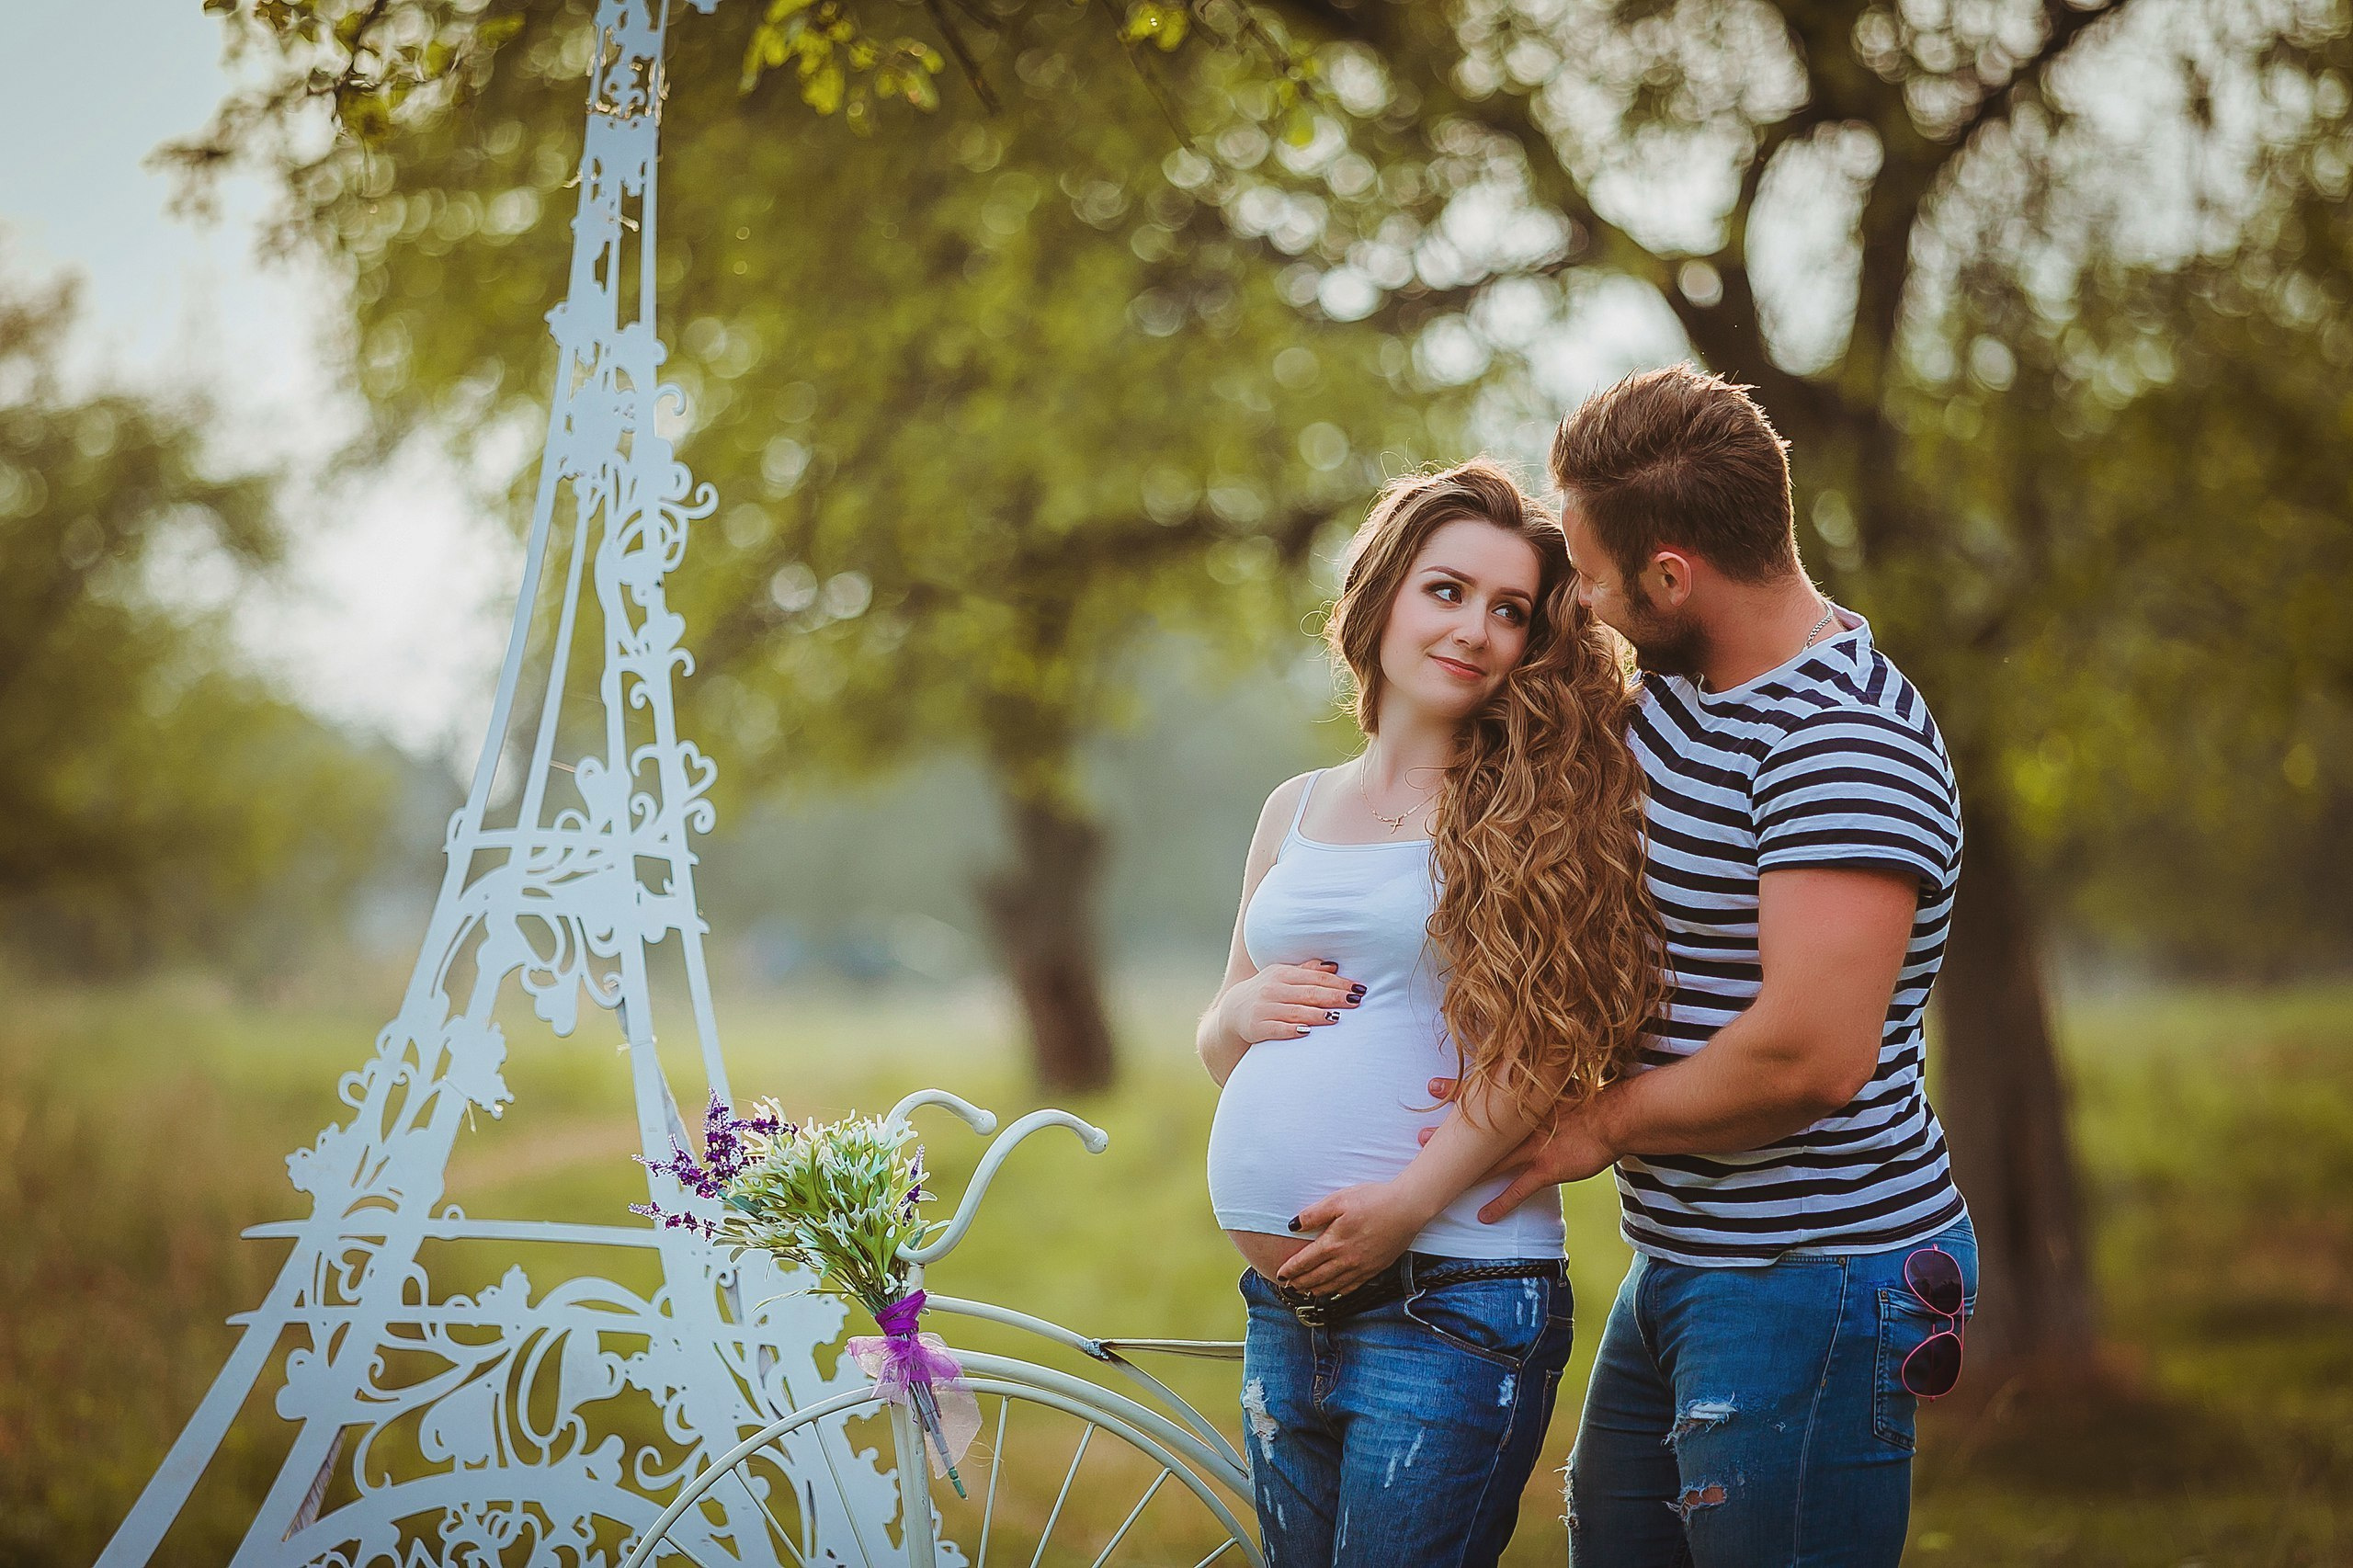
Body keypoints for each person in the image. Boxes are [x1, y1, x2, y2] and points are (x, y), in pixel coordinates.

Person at [1464, 365, 1977, 1565]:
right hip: (1691, 1249)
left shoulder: (1841, 740)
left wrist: (1600, 1124)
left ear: (1671, 575)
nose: (1579, 604)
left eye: (1590, 577)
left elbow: (1810, 1052)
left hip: (1812, 1275)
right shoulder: (1692, 694)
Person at [1196, 459, 1665, 1567]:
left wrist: (1404, 1205)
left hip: (1449, 1294)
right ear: (1383, 594)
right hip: (1282, 1307)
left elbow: (1547, 1045)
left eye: (1510, 611)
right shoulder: (1293, 806)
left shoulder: (1534, 808)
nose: (1475, 629)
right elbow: (1222, 1035)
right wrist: (1242, 1011)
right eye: (1446, 590)